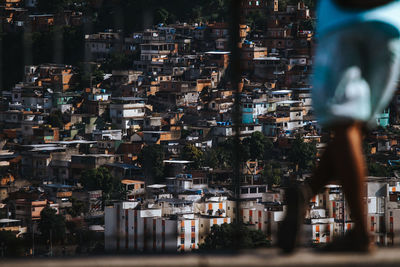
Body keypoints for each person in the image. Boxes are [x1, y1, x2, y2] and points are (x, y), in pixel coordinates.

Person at [278, 0, 400, 253]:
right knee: (358, 126)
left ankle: (360, 234)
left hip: (344, 21)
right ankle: (307, 194)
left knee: (347, 124)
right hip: (391, 24)